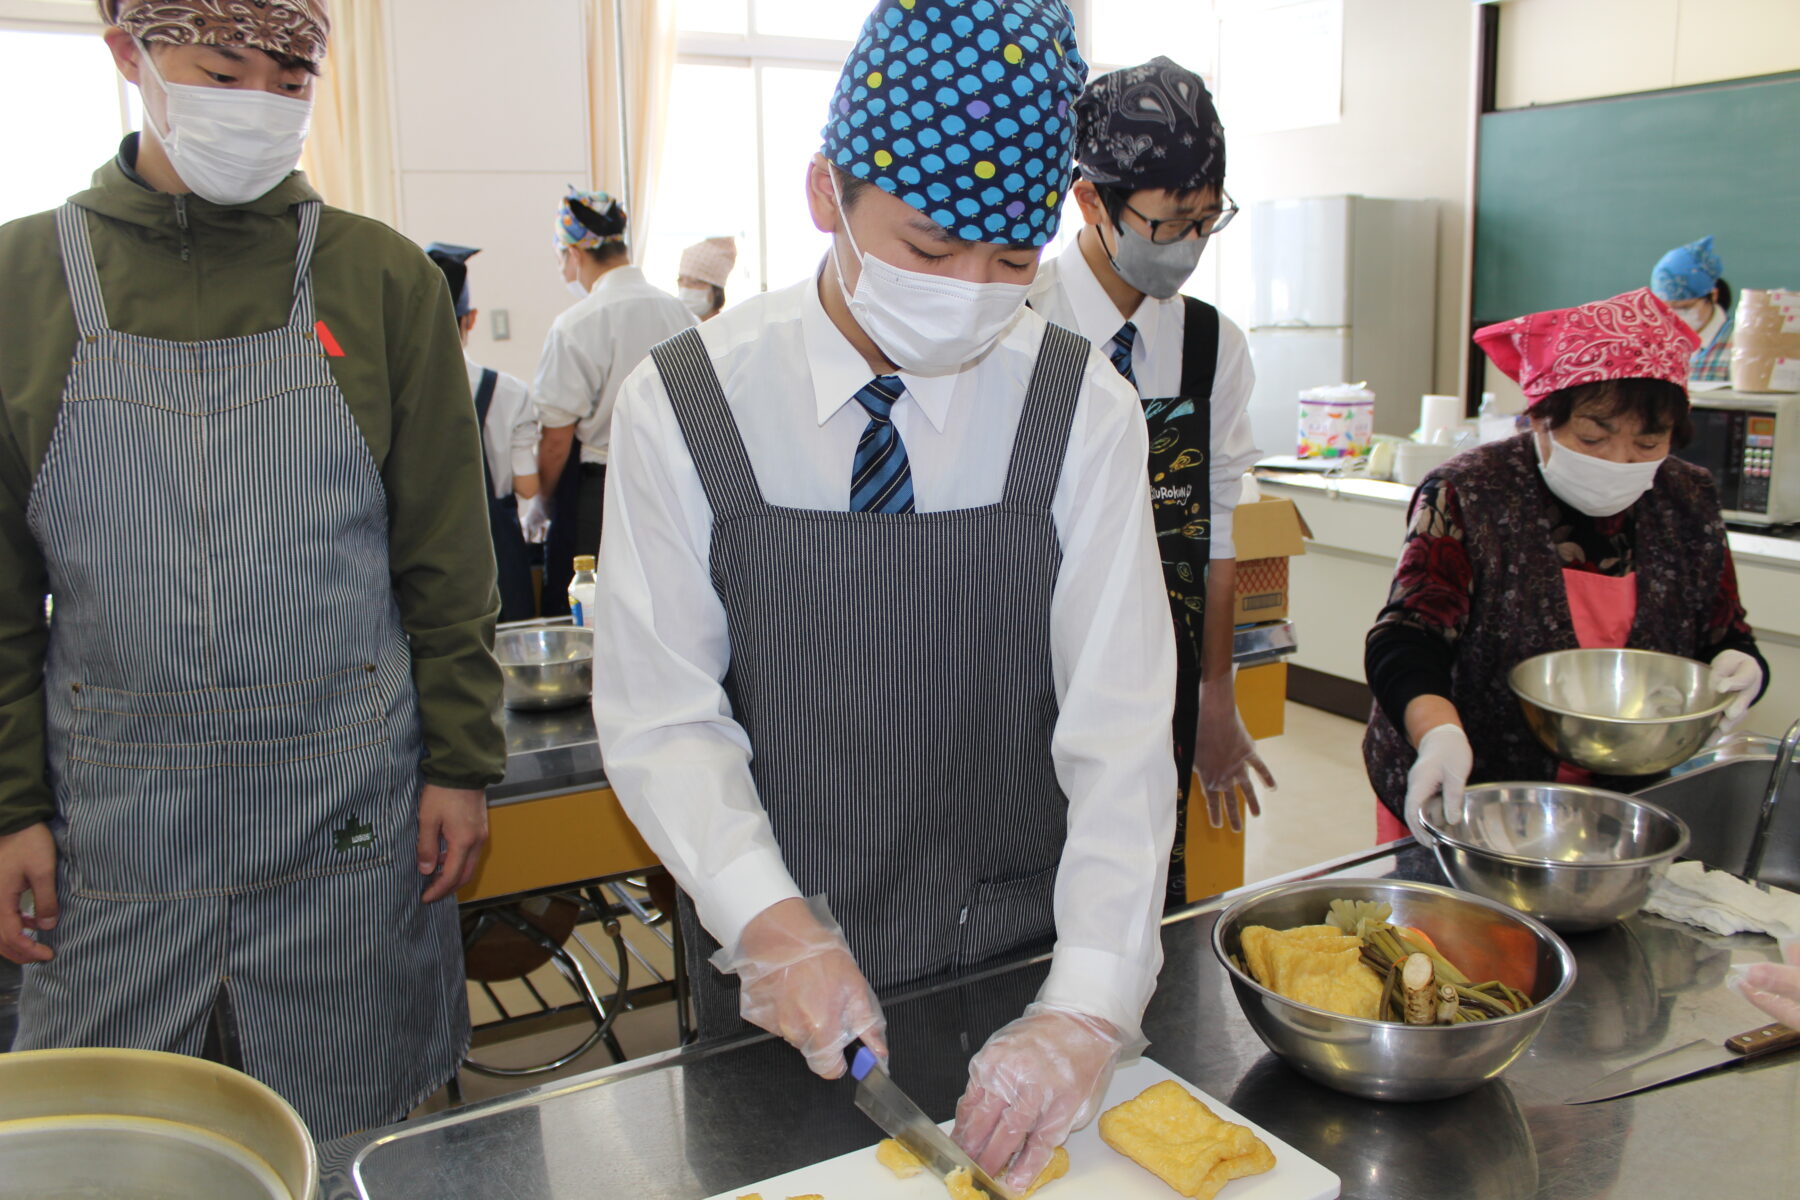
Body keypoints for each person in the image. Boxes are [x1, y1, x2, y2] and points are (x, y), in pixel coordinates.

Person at [590, 2, 1175, 1191]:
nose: (967, 291)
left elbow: (1118, 730)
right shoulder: (687, 398)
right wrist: (767, 919)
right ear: (826, 194)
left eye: (1010, 265)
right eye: (925, 248)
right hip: (779, 982)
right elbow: (663, 713)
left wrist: (1089, 1007)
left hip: (1017, 964)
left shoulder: (1080, 408)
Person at [0, 1, 505, 1140]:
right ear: (130, 58)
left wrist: (463, 761)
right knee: (118, 1146)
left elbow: (447, 561)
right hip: (116, 826)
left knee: (352, 1137)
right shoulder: (22, 281)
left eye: (292, 82)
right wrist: (9, 806)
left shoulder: (379, 280)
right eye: (223, 71)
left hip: (344, 809)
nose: (262, 108)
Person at [1364, 288, 1768, 842]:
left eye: (1648, 442)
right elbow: (1408, 637)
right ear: (1540, 417)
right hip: (1467, 784)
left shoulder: (1687, 498)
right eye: (1592, 436)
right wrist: (1436, 734)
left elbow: (1725, 633)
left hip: (1621, 800)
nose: (1619, 462)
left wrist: (1741, 666)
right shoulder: (1471, 491)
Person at [1029, 57, 1270, 907]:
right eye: (1169, 224)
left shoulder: (1212, 348)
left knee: (1134, 904)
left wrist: (1211, 694)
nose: (1190, 247)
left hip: (1153, 684)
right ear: (1090, 201)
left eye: (1208, 221)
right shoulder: (1017, 324)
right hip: (1022, 682)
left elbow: (1216, 534)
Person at [534, 189, 694, 615]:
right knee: (665, 605)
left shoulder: (576, 325)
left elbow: (555, 441)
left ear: (573, 253)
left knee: (592, 612)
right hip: (673, 482)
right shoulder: (680, 315)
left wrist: (541, 502)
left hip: (596, 492)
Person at [428, 242, 542, 621]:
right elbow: (526, 487)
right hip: (499, 558)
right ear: (471, 318)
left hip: (429, 561)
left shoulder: (398, 395)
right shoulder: (508, 392)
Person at [1651, 235, 1734, 386]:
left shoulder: (1740, 342)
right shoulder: (1656, 343)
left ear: (1713, 295)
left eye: (1684, 308)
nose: (1674, 316)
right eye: (1665, 309)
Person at [677, 235, 737, 321]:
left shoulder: (729, 330)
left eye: (695, 282)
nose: (685, 288)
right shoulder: (676, 326)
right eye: (680, 280)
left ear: (717, 291)